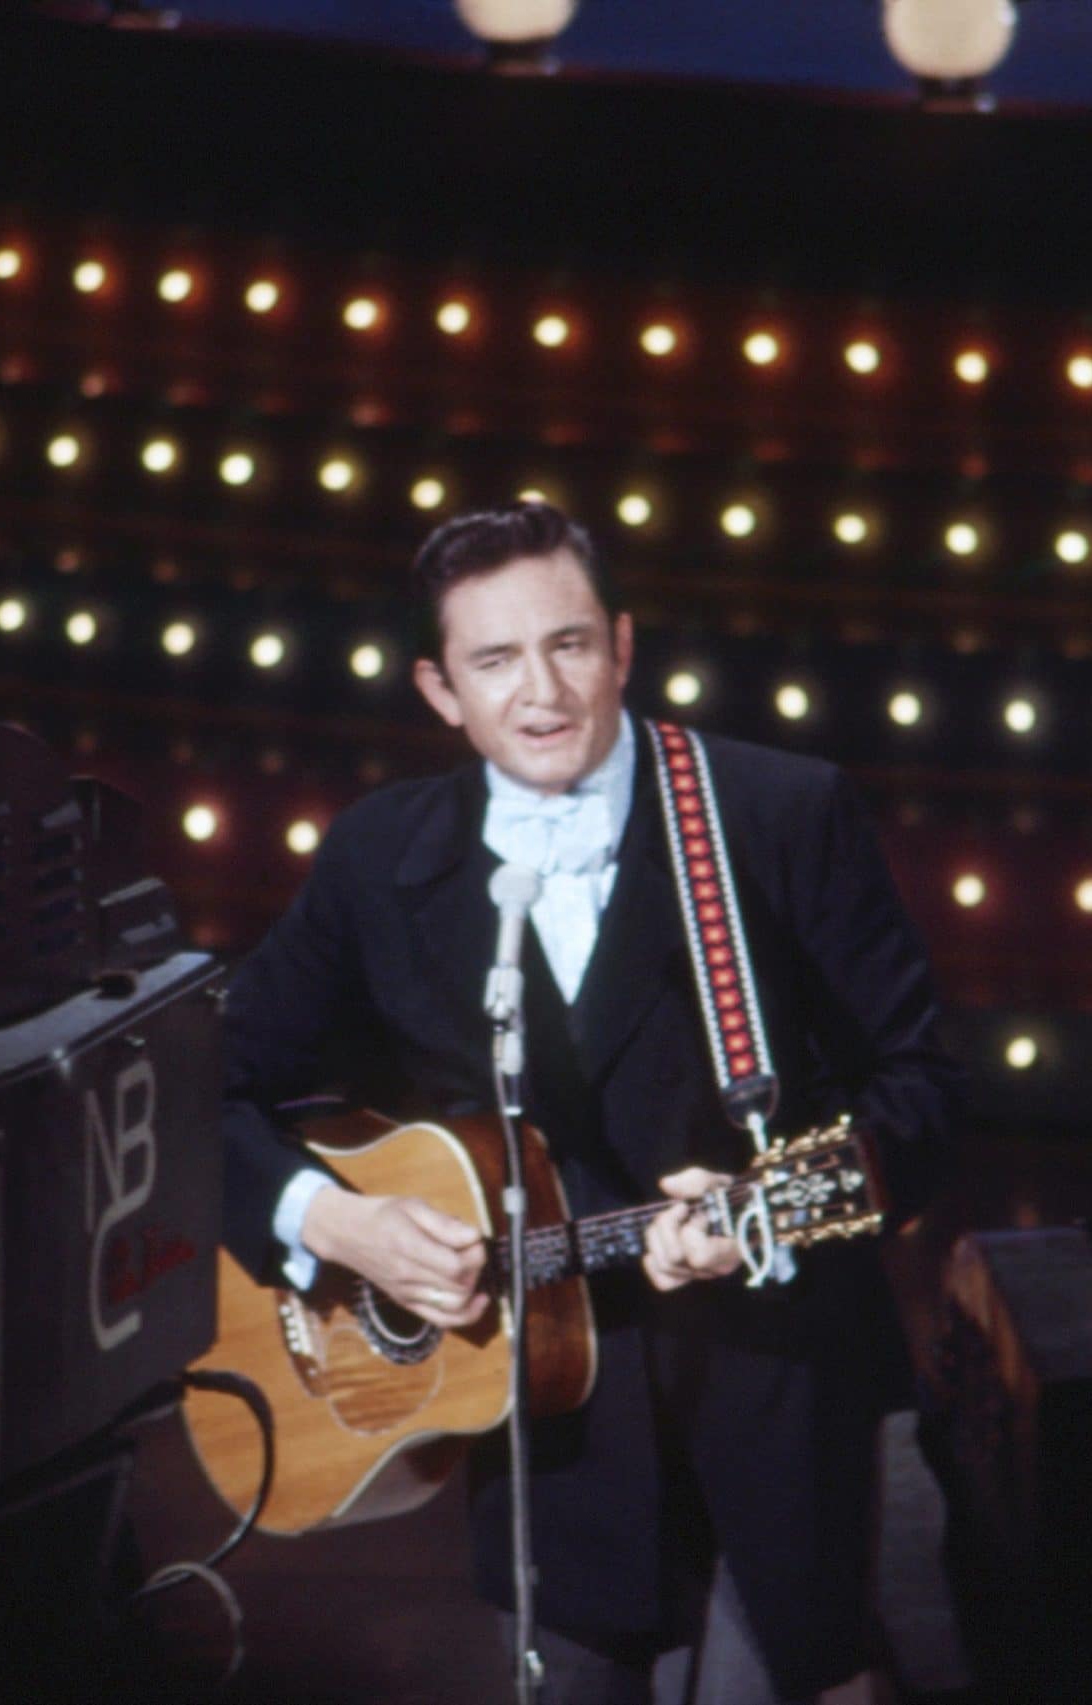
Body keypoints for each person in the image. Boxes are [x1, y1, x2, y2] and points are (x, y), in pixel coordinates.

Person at [218, 500, 961, 1702]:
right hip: (548, 1444)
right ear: (439, 691)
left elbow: (927, 1092)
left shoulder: (776, 812)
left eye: (567, 644)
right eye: (495, 659)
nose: (541, 691)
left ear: (621, 645)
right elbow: (210, 1089)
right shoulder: (379, 855)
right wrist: (332, 1221)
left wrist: (758, 1212)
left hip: (776, 1395)